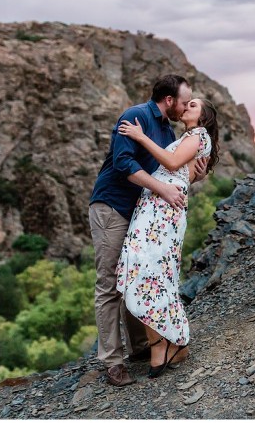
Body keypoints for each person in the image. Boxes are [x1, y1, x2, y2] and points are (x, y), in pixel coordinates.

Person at [88, 74, 207, 387]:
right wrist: (162, 190)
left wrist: (193, 176)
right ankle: (113, 362)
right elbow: (123, 163)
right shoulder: (136, 116)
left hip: (141, 214)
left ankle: (140, 347)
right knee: (110, 283)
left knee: (134, 275)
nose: (185, 107)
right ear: (169, 100)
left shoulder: (167, 130)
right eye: (184, 102)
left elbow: (169, 170)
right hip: (113, 207)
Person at [115, 97, 219, 378]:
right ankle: (168, 341)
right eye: (187, 103)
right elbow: (183, 171)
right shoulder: (188, 138)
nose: (186, 107)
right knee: (148, 272)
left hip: (163, 208)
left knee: (150, 272)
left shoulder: (199, 135)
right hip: (156, 204)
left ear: (204, 117)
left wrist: (139, 136)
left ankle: (163, 343)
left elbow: (172, 163)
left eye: (193, 105)